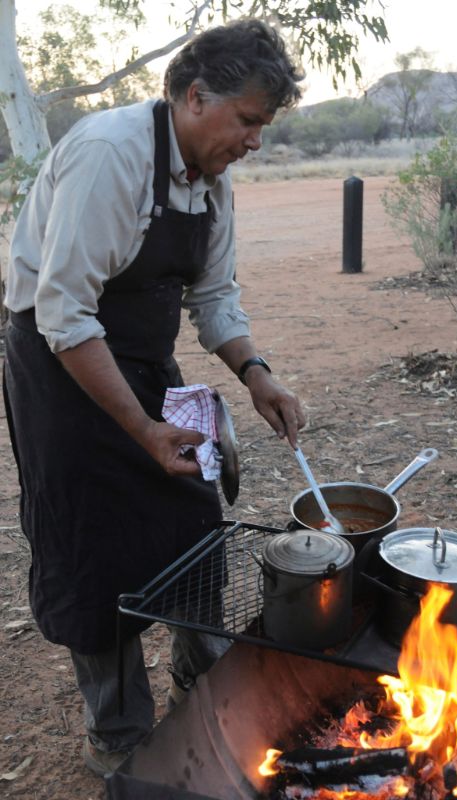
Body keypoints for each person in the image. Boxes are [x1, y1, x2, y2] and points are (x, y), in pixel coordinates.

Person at [2, 19, 306, 777]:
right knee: (88, 548)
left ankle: (202, 684)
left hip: (140, 359)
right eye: (247, 121)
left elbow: (214, 295)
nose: (253, 142)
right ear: (195, 97)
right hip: (57, 366)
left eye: (262, 126)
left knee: (192, 522)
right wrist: (140, 429)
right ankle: (117, 732)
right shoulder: (113, 156)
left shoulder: (211, 182)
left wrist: (256, 372)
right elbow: (63, 315)